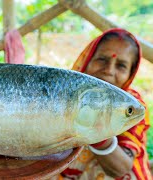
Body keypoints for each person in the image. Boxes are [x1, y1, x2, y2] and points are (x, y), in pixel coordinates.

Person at [58, 28, 152, 179]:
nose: (109, 70)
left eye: (121, 65)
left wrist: (97, 132)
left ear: (130, 73)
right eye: (102, 59)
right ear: (88, 60)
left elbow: (120, 169)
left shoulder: (131, 107)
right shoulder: (64, 94)